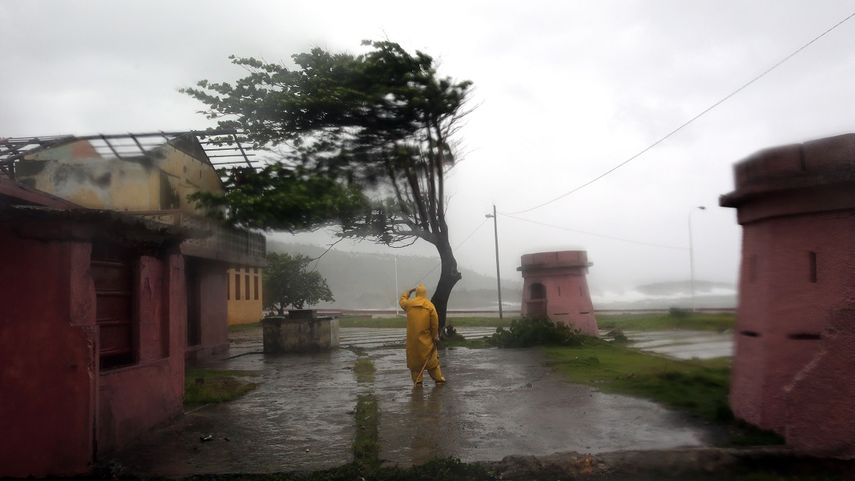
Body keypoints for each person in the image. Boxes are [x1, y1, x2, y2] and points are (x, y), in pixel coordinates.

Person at [400, 283, 446, 385]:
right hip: (426, 341)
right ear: (425, 293)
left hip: (412, 342)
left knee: (415, 365)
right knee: (432, 362)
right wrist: (435, 336)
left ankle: (418, 382)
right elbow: (435, 323)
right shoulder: (429, 306)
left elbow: (402, 301)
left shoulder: (409, 304)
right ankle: (438, 379)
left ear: (416, 293)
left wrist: (408, 292)